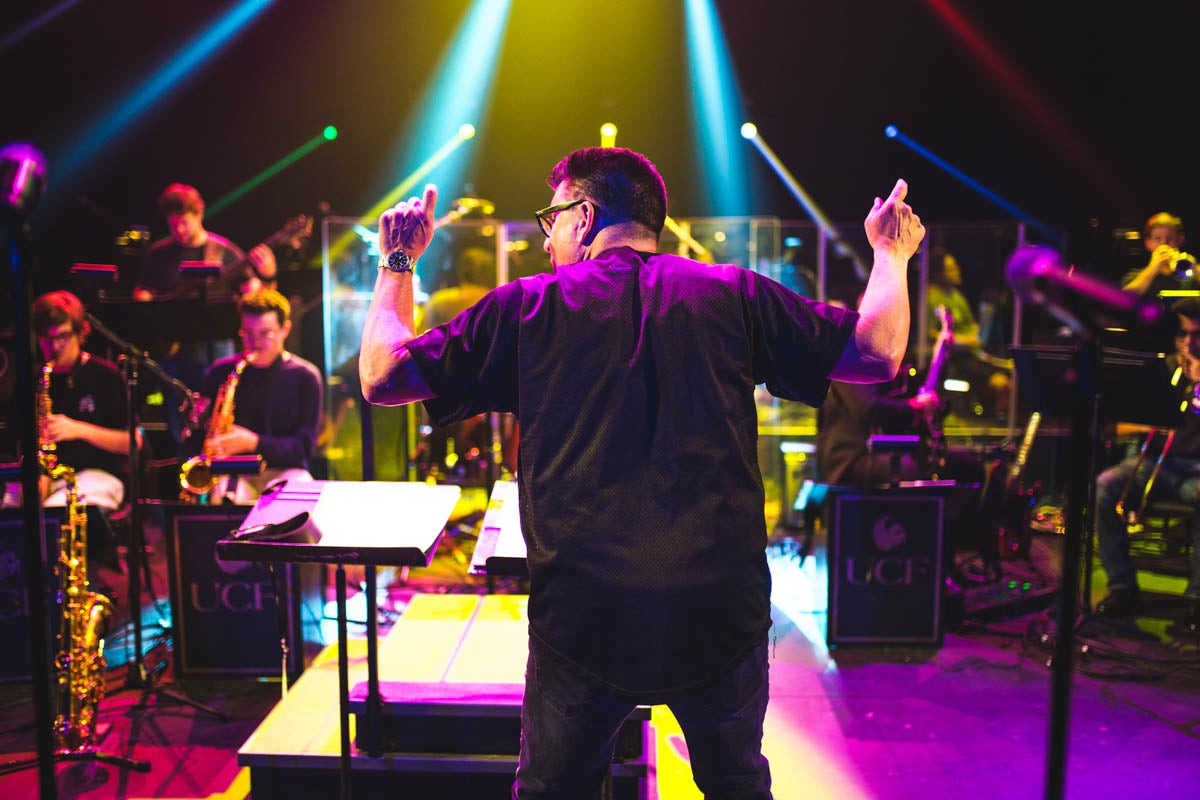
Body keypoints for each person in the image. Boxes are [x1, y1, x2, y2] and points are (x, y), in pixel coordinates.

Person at [358, 146, 924, 797]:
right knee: (736, 785)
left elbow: (382, 374)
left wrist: (397, 260)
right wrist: (891, 253)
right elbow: (878, 352)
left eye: (550, 221)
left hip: (583, 619)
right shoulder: (734, 294)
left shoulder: (529, 306)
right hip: (719, 614)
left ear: (583, 214)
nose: (546, 243)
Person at [1093, 296, 1200, 636]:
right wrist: (1151, 420)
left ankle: (1196, 600)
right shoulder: (1163, 369)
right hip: (1157, 463)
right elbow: (1114, 425)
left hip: (1196, 470)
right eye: (1183, 334)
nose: (1189, 343)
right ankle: (1123, 588)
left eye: (1197, 335)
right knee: (1106, 486)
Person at [2, 291, 140, 512]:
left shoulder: (107, 375)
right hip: (44, 478)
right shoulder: (30, 380)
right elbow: (14, 441)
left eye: (63, 337)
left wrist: (77, 429)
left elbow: (133, 443)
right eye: (46, 338)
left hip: (96, 475)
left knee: (58, 513)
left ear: (80, 333)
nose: (55, 346)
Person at [181, 288, 322, 505]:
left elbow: (302, 449)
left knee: (297, 497)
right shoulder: (220, 372)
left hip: (284, 471)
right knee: (223, 502)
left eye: (265, 333)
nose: (254, 343)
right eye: (247, 333)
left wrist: (252, 443)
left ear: (285, 329)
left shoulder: (305, 376)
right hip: (234, 472)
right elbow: (198, 437)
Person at [134, 183, 277, 301]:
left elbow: (256, 297)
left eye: (185, 222)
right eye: (173, 224)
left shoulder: (226, 251)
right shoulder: (157, 253)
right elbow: (142, 290)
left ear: (199, 214)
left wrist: (268, 275)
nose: (180, 230)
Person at [1120, 212, 1192, 297]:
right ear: (1148, 243)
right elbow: (1123, 300)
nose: (1164, 244)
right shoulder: (1133, 277)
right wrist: (1153, 268)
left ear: (1180, 239)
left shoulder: (1191, 271)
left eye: (1170, 238)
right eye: (1157, 239)